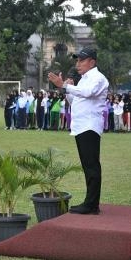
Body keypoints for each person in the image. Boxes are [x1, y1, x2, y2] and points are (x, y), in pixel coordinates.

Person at [48, 47, 108, 215]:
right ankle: (90, 202)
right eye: (77, 60)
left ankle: (92, 204)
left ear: (92, 62)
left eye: (81, 60)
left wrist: (65, 87)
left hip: (89, 126)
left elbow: (88, 93)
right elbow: (76, 101)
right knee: (87, 166)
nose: (78, 63)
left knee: (91, 166)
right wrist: (65, 89)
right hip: (81, 126)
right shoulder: (83, 79)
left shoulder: (98, 78)